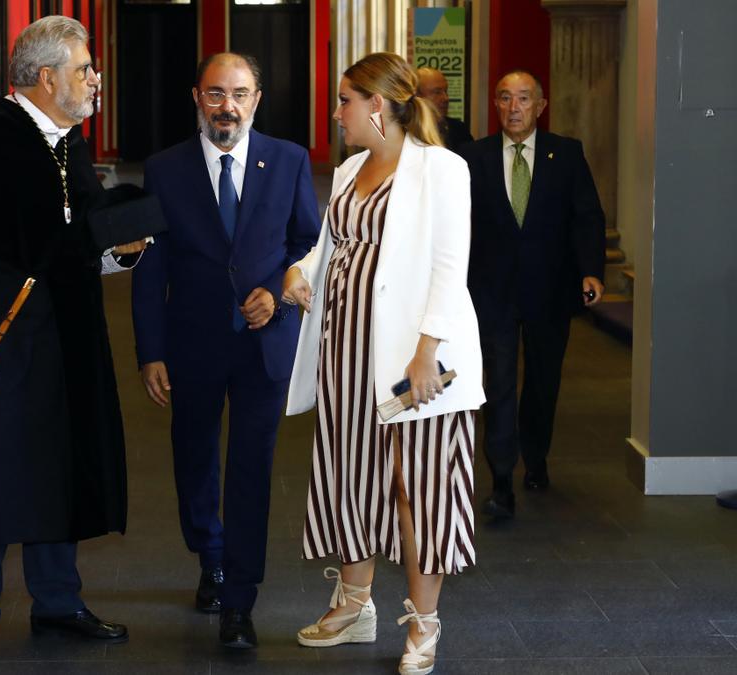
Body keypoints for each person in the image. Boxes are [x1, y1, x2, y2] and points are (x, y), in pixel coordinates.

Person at [0, 16, 147, 672]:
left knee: (57, 473)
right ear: (46, 79)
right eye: (84, 70)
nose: (93, 81)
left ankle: (57, 600)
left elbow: (78, 240)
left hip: (62, 346)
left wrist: (123, 250)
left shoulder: (67, 143)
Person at [281, 52, 484, 675]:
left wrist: (428, 351)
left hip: (410, 359)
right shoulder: (347, 170)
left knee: (415, 488)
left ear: (377, 105)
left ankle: (423, 626)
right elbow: (331, 243)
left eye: (345, 101)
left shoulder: (442, 169)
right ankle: (355, 603)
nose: (336, 113)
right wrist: (299, 271)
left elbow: (452, 266)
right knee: (350, 476)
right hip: (344, 349)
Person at [130, 53, 320, 649]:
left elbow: (306, 243)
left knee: (250, 469)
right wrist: (150, 349)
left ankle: (240, 596)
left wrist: (280, 295)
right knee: (194, 460)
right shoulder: (164, 169)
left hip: (264, 344)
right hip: (191, 344)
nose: (227, 107)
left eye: (239, 94)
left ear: (257, 99)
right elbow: (149, 265)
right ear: (196, 98)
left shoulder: (288, 160)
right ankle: (209, 555)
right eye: (215, 94)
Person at [459, 70, 605, 520]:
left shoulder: (567, 153)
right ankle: (501, 478)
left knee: (543, 381)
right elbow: (459, 225)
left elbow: (587, 216)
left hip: (549, 289)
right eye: (505, 98)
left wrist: (592, 272)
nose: (514, 107)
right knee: (498, 383)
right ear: (496, 105)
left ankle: (535, 455)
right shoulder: (474, 158)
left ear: (540, 106)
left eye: (523, 98)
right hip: (492, 289)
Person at [416, 67, 472, 154]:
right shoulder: (403, 131)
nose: (446, 98)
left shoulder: (459, 131)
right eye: (437, 92)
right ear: (417, 96)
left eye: (446, 91)